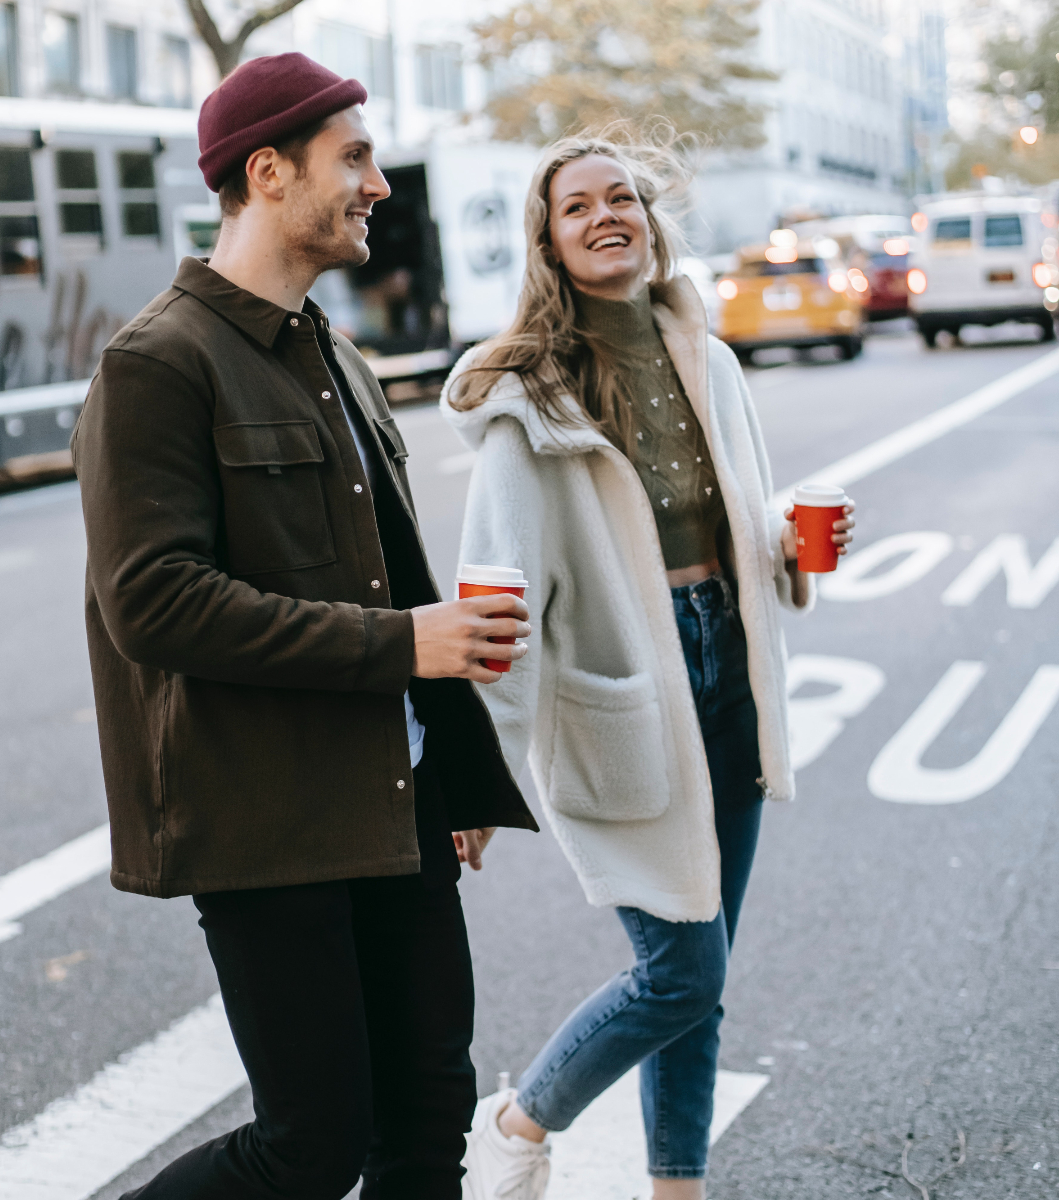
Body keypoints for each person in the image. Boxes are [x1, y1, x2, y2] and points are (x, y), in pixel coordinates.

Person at [72, 52, 538, 1200]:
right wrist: (406, 650)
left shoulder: (338, 354)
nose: (379, 185)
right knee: (309, 1148)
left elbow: (389, 576)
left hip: (401, 801)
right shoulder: (156, 365)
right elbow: (154, 601)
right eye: (357, 159)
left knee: (428, 1128)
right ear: (268, 172)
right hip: (270, 818)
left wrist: (452, 770)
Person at [440, 128, 856, 1200]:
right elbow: (497, 592)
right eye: (576, 207)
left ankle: (677, 1188)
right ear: (548, 240)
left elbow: (737, 514)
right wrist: (474, 767)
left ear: (649, 217)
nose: (605, 216)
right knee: (683, 970)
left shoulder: (706, 358)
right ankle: (519, 1118)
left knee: (700, 984)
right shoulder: (528, 398)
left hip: (731, 671)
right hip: (626, 691)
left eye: (620, 196)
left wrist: (790, 549)